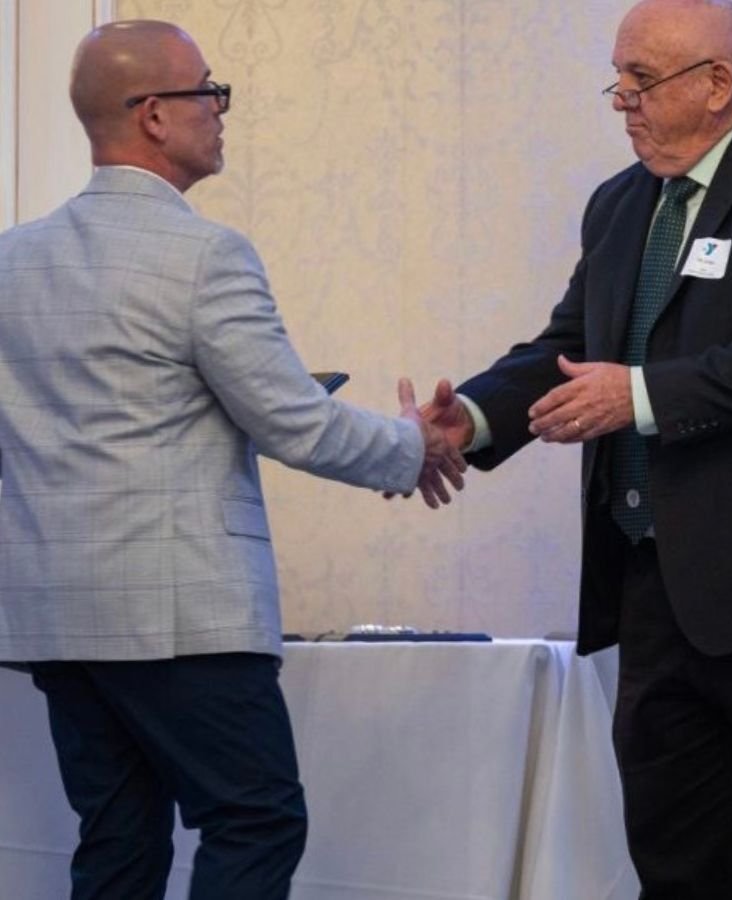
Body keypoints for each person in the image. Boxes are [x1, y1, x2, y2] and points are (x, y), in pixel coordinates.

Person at [418, 0, 732, 896]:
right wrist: (469, 420)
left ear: (718, 85)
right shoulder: (621, 204)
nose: (621, 100)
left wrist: (637, 395)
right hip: (652, 594)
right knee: (679, 867)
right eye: (618, 79)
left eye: (641, 79)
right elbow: (562, 348)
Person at [0, 20, 464, 900]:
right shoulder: (204, 256)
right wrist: (416, 447)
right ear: (152, 117)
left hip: (59, 616)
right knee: (256, 819)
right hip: (180, 617)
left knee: (117, 842)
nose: (220, 110)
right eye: (205, 91)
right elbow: (296, 422)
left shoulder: (11, 262)